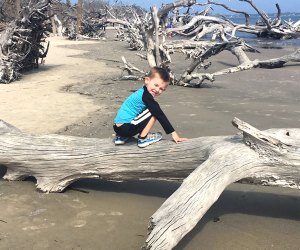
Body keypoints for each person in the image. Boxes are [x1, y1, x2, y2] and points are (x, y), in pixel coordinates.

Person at [113, 67, 187, 148]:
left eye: (162, 89)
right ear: (147, 80)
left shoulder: (142, 91)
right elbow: (160, 115)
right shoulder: (146, 97)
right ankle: (142, 138)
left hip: (118, 128)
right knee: (154, 112)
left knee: (149, 109)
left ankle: (121, 137)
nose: (157, 90)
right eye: (156, 85)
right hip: (126, 128)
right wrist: (174, 134)